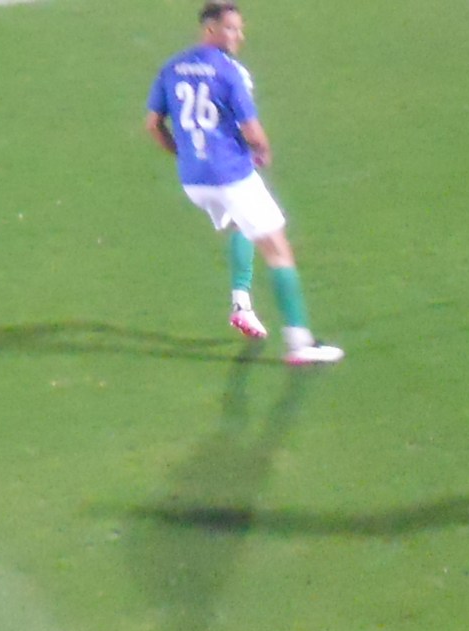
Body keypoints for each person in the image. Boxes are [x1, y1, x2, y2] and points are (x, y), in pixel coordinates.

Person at [145, 1, 342, 365]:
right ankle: (300, 343)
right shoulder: (229, 72)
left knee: (241, 224)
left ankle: (242, 304)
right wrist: (263, 151)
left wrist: (183, 155)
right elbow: (252, 131)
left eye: (239, 29)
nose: (239, 36)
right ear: (210, 29)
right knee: (279, 251)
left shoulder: (171, 67)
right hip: (231, 176)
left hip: (195, 181)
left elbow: (153, 125)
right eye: (231, 29)